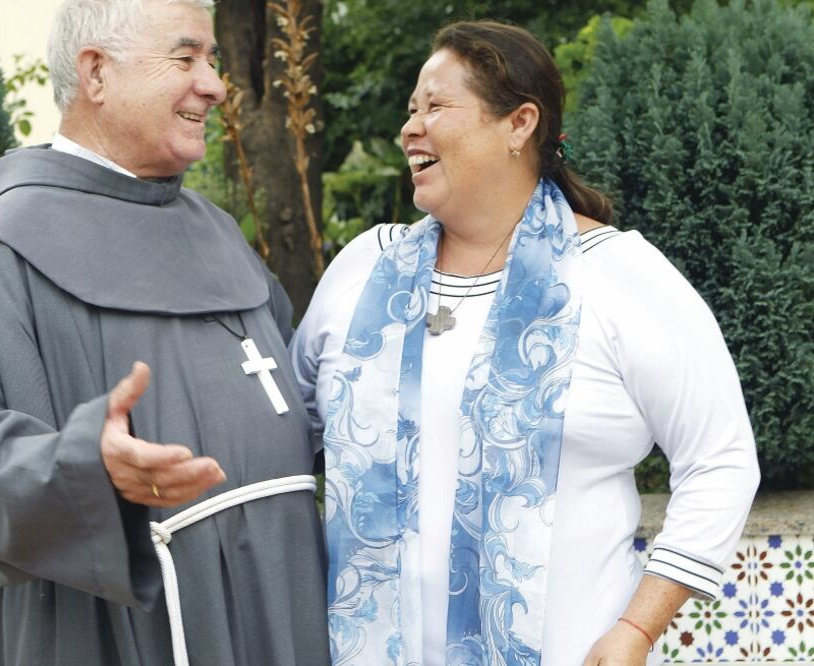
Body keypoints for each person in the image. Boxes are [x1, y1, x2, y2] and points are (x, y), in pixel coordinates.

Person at [290, 19, 760, 666]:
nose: (409, 128)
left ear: (518, 125)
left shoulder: (616, 275)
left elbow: (721, 459)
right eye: (409, 110)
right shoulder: (361, 271)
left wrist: (636, 630)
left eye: (435, 106)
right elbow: (285, 441)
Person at [0, 1, 330, 664]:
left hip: (278, 601)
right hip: (121, 631)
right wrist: (83, 467)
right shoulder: (2, 255)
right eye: (185, 56)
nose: (215, 85)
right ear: (97, 73)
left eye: (213, 60)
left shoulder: (216, 233)